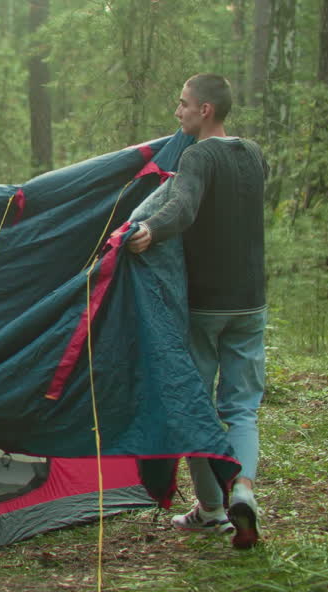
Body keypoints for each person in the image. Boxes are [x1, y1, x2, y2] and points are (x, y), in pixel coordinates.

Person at [127, 74, 267, 550]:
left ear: (206, 110)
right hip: (251, 303)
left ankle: (211, 509)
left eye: (184, 104)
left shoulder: (197, 155)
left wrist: (149, 229)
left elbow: (183, 207)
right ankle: (243, 490)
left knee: (195, 406)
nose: (178, 112)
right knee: (242, 407)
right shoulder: (254, 154)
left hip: (208, 306)